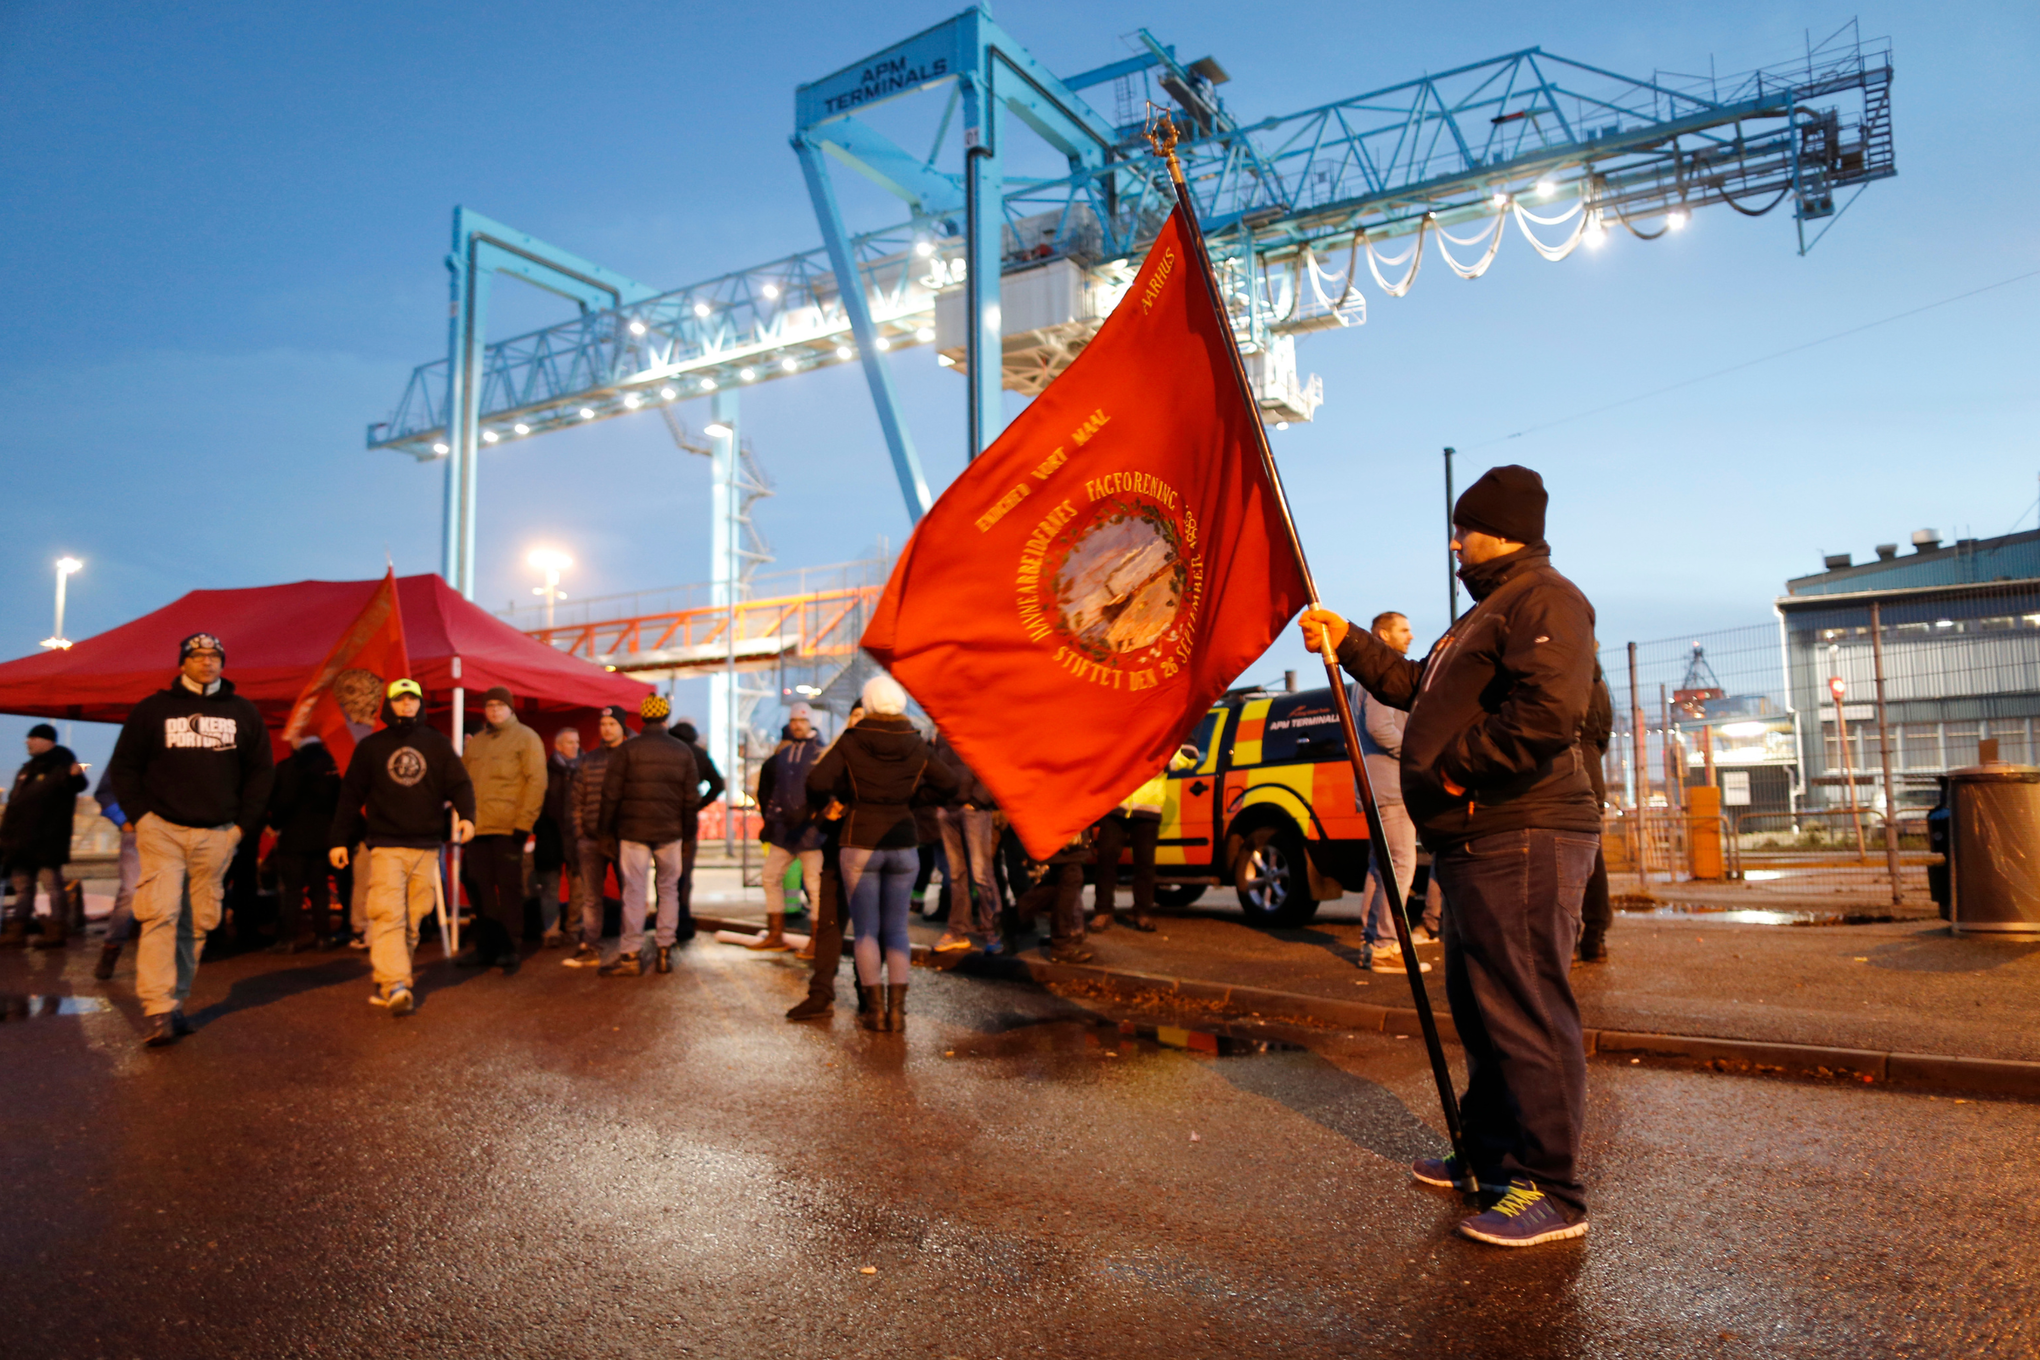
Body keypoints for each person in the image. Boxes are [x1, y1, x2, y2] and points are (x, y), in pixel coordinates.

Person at [1301, 463, 1599, 1248]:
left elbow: (1548, 714)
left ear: (1499, 529)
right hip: (1474, 836)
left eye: (1463, 527)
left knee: (1526, 1004)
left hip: (1522, 829)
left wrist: (1454, 770)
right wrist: (1350, 642)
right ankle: (1491, 1157)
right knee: (1480, 1003)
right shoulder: (1482, 615)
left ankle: (1554, 1190)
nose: (1454, 540)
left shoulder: (1545, 600)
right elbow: (1413, 687)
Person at [106, 633, 276, 1047]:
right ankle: (157, 1007)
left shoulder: (243, 713)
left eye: (214, 656)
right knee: (160, 911)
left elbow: (261, 774)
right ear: (183, 661)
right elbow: (124, 767)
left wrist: (240, 828)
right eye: (198, 655)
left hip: (217, 834)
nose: (207, 662)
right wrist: (141, 818)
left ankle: (176, 1000)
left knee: (198, 921)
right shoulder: (154, 709)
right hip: (161, 829)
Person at [807, 677, 955, 1031]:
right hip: (904, 842)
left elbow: (816, 782)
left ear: (870, 703)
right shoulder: (915, 742)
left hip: (860, 840)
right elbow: (950, 783)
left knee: (867, 933)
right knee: (897, 932)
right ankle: (898, 1014)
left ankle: (873, 1011)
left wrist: (842, 802)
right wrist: (911, 800)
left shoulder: (853, 739)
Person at [328, 679, 476, 1016]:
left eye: (412, 699)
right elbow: (350, 796)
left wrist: (467, 816)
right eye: (400, 700)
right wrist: (338, 839)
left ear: (419, 704)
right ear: (389, 705)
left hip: (425, 846)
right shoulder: (371, 747)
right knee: (387, 913)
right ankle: (396, 982)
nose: (406, 705)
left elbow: (460, 783)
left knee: (413, 917)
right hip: (385, 845)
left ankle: (389, 979)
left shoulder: (437, 744)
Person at [597, 695, 699, 976]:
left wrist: (604, 832)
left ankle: (630, 954)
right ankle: (664, 950)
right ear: (666, 719)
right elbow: (691, 799)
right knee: (668, 890)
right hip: (671, 833)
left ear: (641, 719)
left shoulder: (627, 750)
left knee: (634, 891)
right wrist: (688, 836)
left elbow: (610, 794)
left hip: (633, 832)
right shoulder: (682, 751)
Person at [1356, 611, 1430, 975]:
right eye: (1404, 629)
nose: (1411, 636)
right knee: (1402, 865)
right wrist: (1420, 749)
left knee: (1380, 866)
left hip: (1376, 786)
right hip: (1391, 787)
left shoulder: (1364, 676)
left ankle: (1371, 942)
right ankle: (1385, 947)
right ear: (1383, 635)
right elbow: (1379, 727)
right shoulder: (1381, 675)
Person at [785, 701, 862, 1021]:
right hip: (835, 847)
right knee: (830, 923)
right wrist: (825, 811)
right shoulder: (833, 752)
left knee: (869, 928)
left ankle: (867, 991)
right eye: (854, 716)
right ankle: (820, 993)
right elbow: (815, 788)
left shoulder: (880, 756)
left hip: (866, 850)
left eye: (864, 716)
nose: (857, 722)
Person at [460, 685, 544, 970]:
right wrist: (464, 818)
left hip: (509, 828)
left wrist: (524, 823)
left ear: (511, 708)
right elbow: (463, 783)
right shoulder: (478, 743)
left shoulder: (527, 738)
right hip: (478, 827)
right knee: (480, 888)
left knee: (508, 889)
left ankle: (511, 945)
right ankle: (486, 945)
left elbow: (536, 782)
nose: (494, 709)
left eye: (499, 704)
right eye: (489, 705)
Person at [0, 723, 87, 950]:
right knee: (23, 888)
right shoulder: (27, 769)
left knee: (52, 886)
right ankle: (17, 931)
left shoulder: (63, 765)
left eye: (33, 738)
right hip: (19, 842)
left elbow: (78, 782)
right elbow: (15, 806)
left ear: (48, 741)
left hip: (47, 840)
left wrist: (76, 774)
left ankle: (57, 930)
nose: (27, 742)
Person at [753, 703, 824, 952]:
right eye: (794, 720)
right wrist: (771, 822)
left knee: (814, 885)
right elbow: (776, 791)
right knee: (770, 877)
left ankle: (817, 939)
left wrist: (812, 816)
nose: (797, 724)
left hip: (811, 832)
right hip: (785, 831)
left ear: (810, 723)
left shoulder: (820, 753)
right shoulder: (785, 755)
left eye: (802, 720)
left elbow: (827, 792)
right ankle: (775, 934)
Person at [563, 706, 628, 967]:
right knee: (591, 896)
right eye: (603, 724)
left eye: (612, 723)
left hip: (624, 837)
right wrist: (581, 831)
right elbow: (576, 799)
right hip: (590, 838)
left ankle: (628, 948)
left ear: (621, 726)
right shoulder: (589, 760)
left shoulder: (632, 755)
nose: (607, 728)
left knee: (630, 894)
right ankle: (590, 945)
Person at [265, 735, 342, 952]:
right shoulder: (331, 764)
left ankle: (287, 939)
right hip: (323, 837)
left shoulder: (289, 766)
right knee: (320, 889)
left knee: (292, 890)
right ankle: (323, 937)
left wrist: (274, 823)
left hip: (293, 837)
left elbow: (281, 801)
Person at [931, 732, 1004, 953]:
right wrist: (939, 802)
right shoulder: (942, 730)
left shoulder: (974, 722)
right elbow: (935, 766)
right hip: (949, 809)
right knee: (956, 875)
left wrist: (977, 800)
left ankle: (994, 932)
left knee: (981, 874)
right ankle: (957, 931)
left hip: (974, 809)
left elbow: (995, 763)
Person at [1091, 757, 1173, 935]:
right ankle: (1103, 911)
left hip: (1147, 806)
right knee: (1106, 858)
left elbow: (1188, 754)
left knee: (1145, 864)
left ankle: (1142, 913)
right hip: (1115, 802)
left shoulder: (1163, 728)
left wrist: (1159, 760)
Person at [668, 718, 723, 941]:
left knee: (665, 874)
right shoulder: (698, 753)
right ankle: (682, 921)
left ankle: (666, 920)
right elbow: (718, 784)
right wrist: (699, 804)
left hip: (664, 819)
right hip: (688, 821)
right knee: (684, 873)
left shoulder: (667, 749)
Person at [1577, 666, 1615, 963]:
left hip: (1564, 769)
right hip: (1591, 769)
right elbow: (1604, 735)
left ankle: (1566, 936)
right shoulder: (1599, 682)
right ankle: (1595, 935)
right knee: (1593, 856)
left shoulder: (1560, 668)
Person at [91, 767, 141, 979]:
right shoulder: (137, 745)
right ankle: (111, 948)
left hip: (176, 832)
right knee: (130, 892)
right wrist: (123, 821)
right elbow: (105, 791)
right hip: (140, 831)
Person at [533, 725, 581, 947]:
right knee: (550, 888)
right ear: (558, 746)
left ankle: (573, 928)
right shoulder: (544, 771)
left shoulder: (584, 769)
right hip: (550, 836)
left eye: (577, 742)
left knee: (579, 887)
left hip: (576, 836)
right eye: (570, 742)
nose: (575, 746)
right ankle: (551, 932)